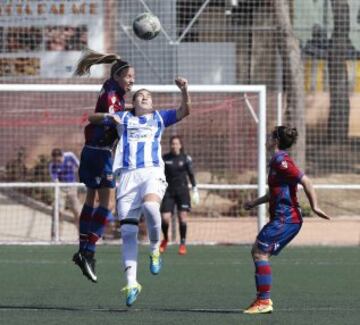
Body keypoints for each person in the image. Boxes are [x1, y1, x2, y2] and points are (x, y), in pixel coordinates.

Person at [89, 76, 191, 306]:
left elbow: (185, 110)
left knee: (150, 205)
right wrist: (108, 115)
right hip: (126, 177)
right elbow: (90, 118)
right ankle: (132, 282)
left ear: (153, 103)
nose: (144, 97)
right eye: (140, 96)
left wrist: (184, 90)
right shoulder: (123, 118)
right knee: (127, 233)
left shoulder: (159, 117)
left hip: (151, 172)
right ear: (133, 103)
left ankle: (155, 248)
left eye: (148, 96)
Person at [242, 126, 330, 315]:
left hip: (286, 218)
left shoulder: (281, 161)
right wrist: (254, 203)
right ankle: (263, 298)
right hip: (283, 218)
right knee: (259, 252)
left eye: (269, 137)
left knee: (259, 252)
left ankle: (264, 301)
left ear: (275, 141)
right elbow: (274, 192)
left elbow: (306, 181)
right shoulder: (276, 161)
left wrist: (314, 206)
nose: (266, 140)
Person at [71, 49, 135, 283]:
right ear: (119, 77)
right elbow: (97, 116)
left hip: (91, 150)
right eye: (129, 76)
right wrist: (118, 115)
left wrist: (111, 58)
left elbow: (113, 112)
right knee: (107, 205)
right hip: (101, 153)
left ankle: (83, 250)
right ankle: (88, 250)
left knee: (90, 200)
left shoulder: (112, 87)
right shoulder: (112, 96)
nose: (132, 80)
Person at [159, 135, 199, 255]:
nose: (174, 145)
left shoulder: (186, 158)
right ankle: (165, 239)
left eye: (177, 143)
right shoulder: (164, 158)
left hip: (182, 192)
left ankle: (182, 243)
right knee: (165, 218)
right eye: (172, 143)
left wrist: (195, 189)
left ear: (180, 145)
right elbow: (159, 174)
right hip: (168, 191)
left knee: (183, 217)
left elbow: (191, 174)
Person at [48, 148, 81, 229]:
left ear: (62, 155)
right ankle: (56, 237)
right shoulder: (52, 165)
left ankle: (82, 235)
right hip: (60, 188)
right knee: (58, 212)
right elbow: (55, 179)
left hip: (72, 187)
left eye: (59, 160)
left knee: (77, 211)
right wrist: (57, 184)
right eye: (56, 161)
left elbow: (80, 166)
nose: (58, 162)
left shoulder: (70, 156)